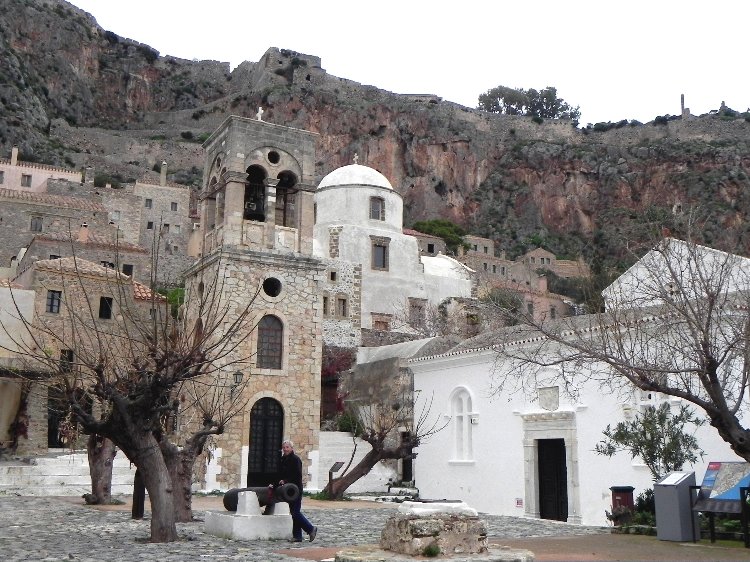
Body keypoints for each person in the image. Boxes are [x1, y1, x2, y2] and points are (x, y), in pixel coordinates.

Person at [274, 439, 318, 542]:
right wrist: (276, 483)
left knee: (295, 513)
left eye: (287, 447)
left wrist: (286, 481)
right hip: (288, 491)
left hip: (296, 490)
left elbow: (296, 475)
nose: (285, 449)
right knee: (294, 512)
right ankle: (297, 536)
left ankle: (310, 529)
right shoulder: (283, 459)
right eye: (284, 447)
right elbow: (280, 474)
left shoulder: (295, 460)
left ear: (291, 448)